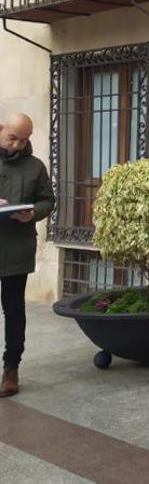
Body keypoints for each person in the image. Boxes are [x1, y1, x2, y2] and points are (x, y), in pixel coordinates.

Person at [0, 113, 55, 398]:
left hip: (16, 248)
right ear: (1, 130)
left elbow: (48, 200)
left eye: (24, 140)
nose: (18, 145)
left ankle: (11, 369)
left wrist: (32, 213)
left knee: (14, 310)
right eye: (13, 138)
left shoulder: (35, 167)